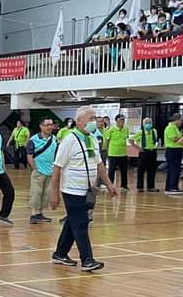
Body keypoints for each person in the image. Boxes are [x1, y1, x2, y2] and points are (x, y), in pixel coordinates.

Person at [50, 108, 118, 272]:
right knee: (81, 223)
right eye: (91, 118)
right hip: (72, 190)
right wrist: (55, 194)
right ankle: (87, 259)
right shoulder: (69, 140)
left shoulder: (93, 139)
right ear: (79, 121)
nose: (94, 121)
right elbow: (57, 168)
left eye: (95, 118)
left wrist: (109, 184)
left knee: (73, 221)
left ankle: (60, 253)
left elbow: (99, 164)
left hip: (88, 190)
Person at [27, 118, 57, 224]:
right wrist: (35, 168)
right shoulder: (33, 139)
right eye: (47, 125)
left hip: (50, 171)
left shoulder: (54, 139)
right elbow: (29, 155)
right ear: (41, 126)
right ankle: (33, 214)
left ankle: (40, 213)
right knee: (36, 192)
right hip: (39, 171)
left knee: (46, 194)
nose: (49, 127)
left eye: (51, 125)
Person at [130, 118, 161, 192]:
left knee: (152, 170)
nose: (148, 124)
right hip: (144, 152)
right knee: (141, 170)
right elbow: (130, 140)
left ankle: (151, 186)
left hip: (152, 152)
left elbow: (156, 140)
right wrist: (138, 148)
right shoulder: (140, 132)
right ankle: (140, 187)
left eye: (150, 122)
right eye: (146, 123)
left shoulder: (154, 131)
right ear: (143, 124)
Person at [103, 114, 131, 191]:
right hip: (113, 153)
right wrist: (107, 151)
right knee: (111, 171)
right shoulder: (111, 129)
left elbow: (126, 139)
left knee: (124, 171)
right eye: (121, 119)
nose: (122, 121)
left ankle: (124, 186)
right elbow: (107, 141)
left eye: (123, 119)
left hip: (123, 153)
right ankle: (110, 186)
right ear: (116, 121)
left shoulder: (126, 129)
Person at [163, 114, 183, 194]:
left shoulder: (175, 128)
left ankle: (170, 187)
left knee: (174, 169)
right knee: (174, 169)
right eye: (181, 120)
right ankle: (172, 187)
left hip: (177, 150)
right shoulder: (170, 127)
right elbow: (174, 138)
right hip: (173, 150)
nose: (181, 122)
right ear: (176, 119)